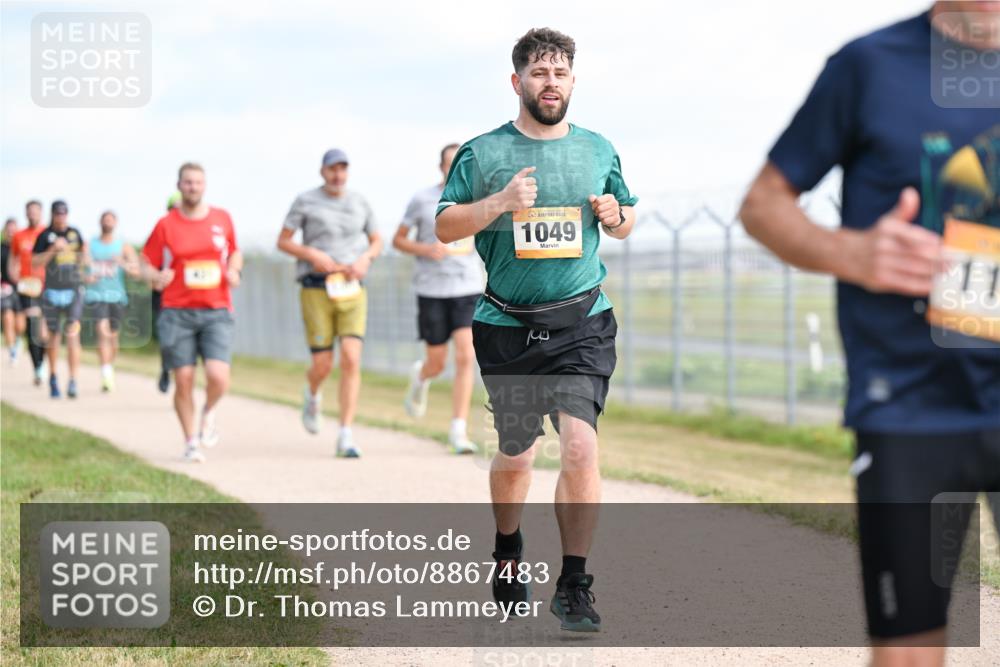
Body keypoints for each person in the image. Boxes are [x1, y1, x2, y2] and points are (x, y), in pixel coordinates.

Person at [739, 4, 999, 666]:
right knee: (908, 650)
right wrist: (850, 252)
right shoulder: (869, 65)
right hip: (910, 407)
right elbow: (764, 204)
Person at [435, 28, 638, 632]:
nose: (551, 83)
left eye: (561, 73)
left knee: (579, 446)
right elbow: (446, 228)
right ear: (517, 81)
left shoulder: (599, 149)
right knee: (518, 455)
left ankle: (574, 582)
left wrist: (615, 215)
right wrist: (497, 203)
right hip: (507, 327)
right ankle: (507, 550)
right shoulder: (482, 153)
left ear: (573, 81)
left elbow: (626, 221)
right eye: (540, 73)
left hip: (582, 322)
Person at [277, 148, 383, 458]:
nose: (338, 175)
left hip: (351, 287)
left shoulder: (360, 201)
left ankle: (346, 434)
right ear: (322, 171)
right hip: (316, 288)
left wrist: (366, 258)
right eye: (332, 169)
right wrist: (312, 254)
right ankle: (312, 394)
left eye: (343, 170)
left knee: (351, 357)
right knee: (323, 364)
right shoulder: (306, 200)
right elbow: (282, 241)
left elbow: (377, 240)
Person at [141, 163, 242, 463]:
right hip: (177, 311)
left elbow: (235, 250)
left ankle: (208, 411)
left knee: (218, 376)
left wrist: (234, 270)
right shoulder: (166, 224)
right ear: (179, 185)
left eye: (197, 182)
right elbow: (147, 261)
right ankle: (190, 441)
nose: (193, 187)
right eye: (187, 182)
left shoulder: (222, 219)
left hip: (216, 310)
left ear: (205, 185)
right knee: (183, 378)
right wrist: (154, 277)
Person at [394, 143, 484, 455]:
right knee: (437, 362)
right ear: (441, 167)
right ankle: (421, 377)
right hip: (431, 289)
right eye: (450, 164)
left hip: (467, 287)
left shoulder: (478, 199)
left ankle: (458, 429)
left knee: (465, 356)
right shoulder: (422, 200)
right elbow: (398, 239)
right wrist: (425, 249)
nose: (456, 170)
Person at [32, 200, 87, 399]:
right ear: (53, 214)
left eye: (64, 213)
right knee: (53, 337)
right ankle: (53, 377)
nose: (61, 217)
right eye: (58, 213)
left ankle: (73, 380)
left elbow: (83, 257)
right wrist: (53, 249)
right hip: (52, 291)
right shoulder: (45, 235)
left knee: (73, 333)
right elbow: (34, 262)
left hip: (73, 290)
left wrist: (83, 267)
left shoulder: (75, 233)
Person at [85, 210, 140, 392]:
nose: (107, 222)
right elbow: (81, 269)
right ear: (100, 222)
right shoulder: (90, 244)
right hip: (96, 296)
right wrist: (87, 277)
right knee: (102, 331)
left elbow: (136, 271)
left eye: (111, 220)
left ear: (115, 223)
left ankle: (109, 365)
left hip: (116, 296)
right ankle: (106, 372)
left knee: (113, 338)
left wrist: (122, 263)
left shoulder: (123, 246)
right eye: (105, 219)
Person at [10, 200, 48, 384]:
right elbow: (13, 259)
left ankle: (45, 359)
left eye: (35, 211)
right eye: (29, 212)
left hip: (47, 286)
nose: (32, 214)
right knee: (32, 326)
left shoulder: (48, 234)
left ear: (41, 213)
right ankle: (38, 367)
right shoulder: (18, 236)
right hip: (28, 287)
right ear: (26, 214)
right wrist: (14, 277)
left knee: (45, 331)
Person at [1, 217, 22, 364]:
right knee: (8, 319)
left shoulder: (24, 247)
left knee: (20, 325)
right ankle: (12, 350)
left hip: (23, 288)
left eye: (13, 229)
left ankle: (18, 339)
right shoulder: (1, 248)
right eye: (8, 229)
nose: (11, 232)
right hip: (5, 288)